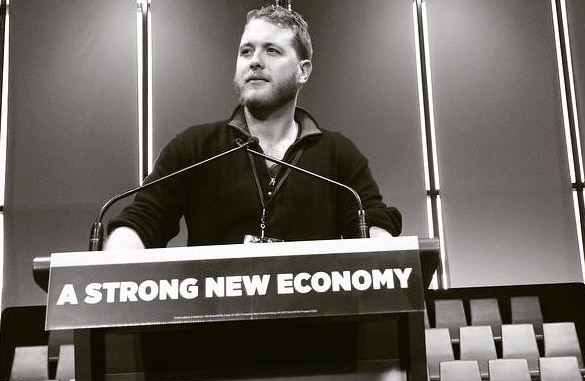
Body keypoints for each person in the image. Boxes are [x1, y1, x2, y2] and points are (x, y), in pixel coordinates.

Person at [106, 4, 401, 250]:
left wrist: (382, 245)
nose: (255, 61)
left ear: (303, 71)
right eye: (246, 51)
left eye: (272, 51)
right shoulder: (194, 147)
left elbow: (371, 224)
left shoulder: (339, 154)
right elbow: (141, 221)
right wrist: (116, 254)